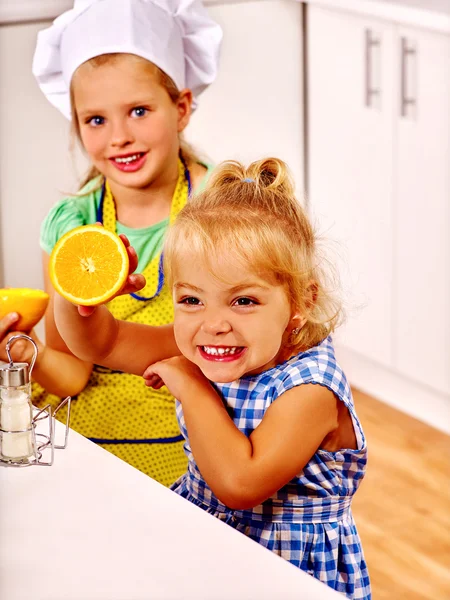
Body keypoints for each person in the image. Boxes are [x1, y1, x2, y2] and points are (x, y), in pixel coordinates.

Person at [52, 157, 371, 598]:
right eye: (191, 299)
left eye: (242, 301)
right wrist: (81, 299)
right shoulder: (211, 345)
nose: (213, 324)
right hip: (206, 546)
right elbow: (101, 344)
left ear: (301, 300)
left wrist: (191, 384)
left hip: (283, 573)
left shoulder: (310, 389)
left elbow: (239, 484)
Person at [0, 0, 222, 486]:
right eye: (95, 120)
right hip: (89, 440)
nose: (119, 137)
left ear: (181, 108)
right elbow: (73, 375)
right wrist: (17, 350)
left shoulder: (221, 207)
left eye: (139, 111)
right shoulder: (69, 226)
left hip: (198, 432)